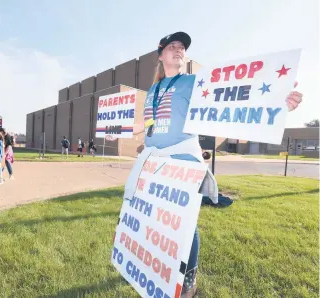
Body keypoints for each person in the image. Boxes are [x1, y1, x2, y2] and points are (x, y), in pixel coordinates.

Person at [128, 32, 303, 297]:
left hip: (183, 159)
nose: (178, 50)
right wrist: (123, 129)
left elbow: (234, 98)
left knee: (184, 221)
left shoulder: (192, 81)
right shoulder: (153, 89)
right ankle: (162, 267)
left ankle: (189, 278)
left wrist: (279, 102)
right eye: (172, 46)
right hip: (155, 163)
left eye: (182, 47)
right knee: (161, 221)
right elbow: (150, 124)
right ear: (161, 54)